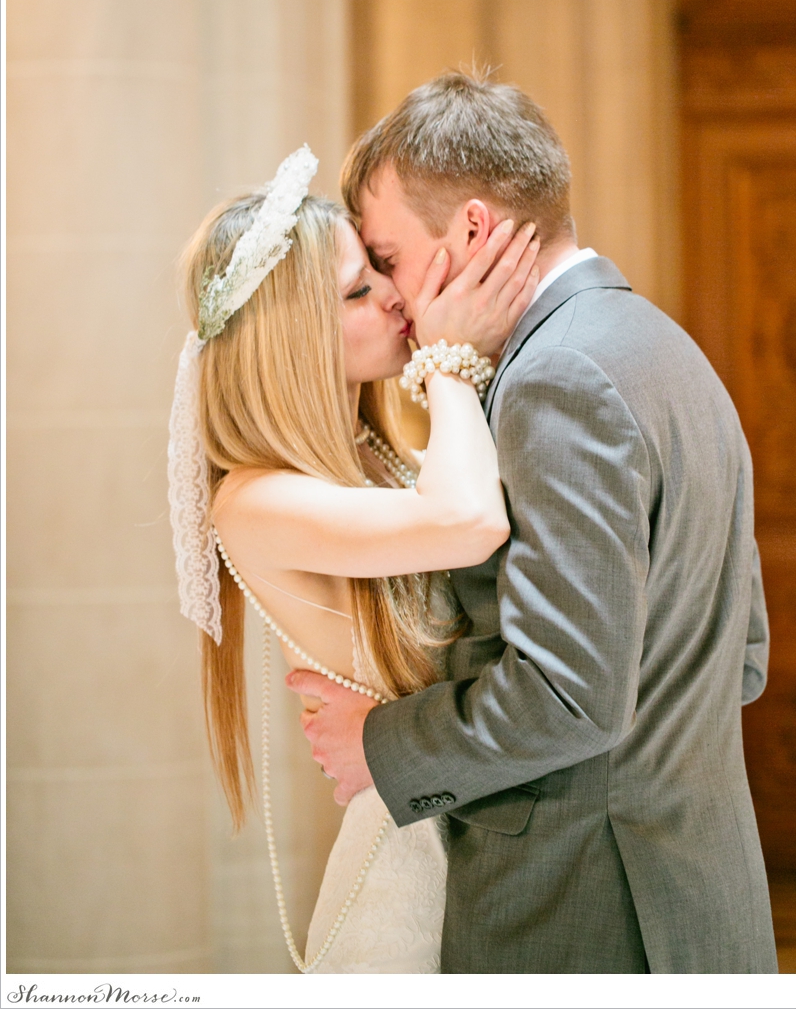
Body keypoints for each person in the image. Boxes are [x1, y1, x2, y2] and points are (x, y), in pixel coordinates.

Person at [287, 71, 779, 974]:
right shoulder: (663, 345)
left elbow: (569, 696)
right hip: (696, 896)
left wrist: (380, 749)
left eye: (388, 259)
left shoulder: (556, 379)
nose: (392, 298)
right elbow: (740, 655)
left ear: (471, 230)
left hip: (585, 908)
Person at [166, 144, 540, 974]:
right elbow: (471, 520)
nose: (396, 301)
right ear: (294, 334)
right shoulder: (254, 500)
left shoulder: (373, 451)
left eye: (379, 273)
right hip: (406, 869)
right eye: (357, 291)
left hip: (468, 826)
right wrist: (449, 355)